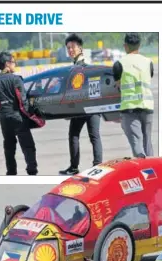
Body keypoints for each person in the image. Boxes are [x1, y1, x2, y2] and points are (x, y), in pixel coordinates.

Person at [0, 51, 41, 175]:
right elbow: (23, 101)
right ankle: (31, 169)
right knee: (27, 145)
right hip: (18, 117)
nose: (15, 64)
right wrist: (33, 116)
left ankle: (11, 171)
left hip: (4, 118)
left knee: (9, 146)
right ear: (7, 64)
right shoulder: (16, 79)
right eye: (13, 62)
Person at [59, 34, 103, 175]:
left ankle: (77, 167)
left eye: (72, 47)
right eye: (68, 48)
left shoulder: (83, 66)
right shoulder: (78, 66)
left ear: (80, 48)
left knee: (81, 135)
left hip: (85, 106)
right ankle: (96, 166)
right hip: (88, 106)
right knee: (89, 136)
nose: (70, 50)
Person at [113, 33, 155, 158]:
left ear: (125, 46)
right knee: (147, 143)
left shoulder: (119, 64)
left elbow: (118, 85)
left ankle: (144, 171)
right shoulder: (148, 62)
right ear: (139, 46)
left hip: (129, 109)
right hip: (147, 107)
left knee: (137, 144)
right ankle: (154, 169)